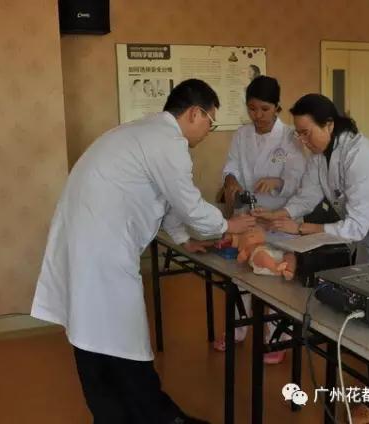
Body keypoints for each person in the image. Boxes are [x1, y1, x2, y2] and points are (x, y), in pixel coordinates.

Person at [31, 79, 256, 424]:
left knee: (92, 333)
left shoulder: (144, 133)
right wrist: (228, 226)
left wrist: (182, 239)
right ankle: (154, 415)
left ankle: (121, 414)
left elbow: (164, 197)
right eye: (210, 122)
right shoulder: (168, 142)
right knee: (120, 336)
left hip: (85, 241)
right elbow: (188, 203)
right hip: (102, 249)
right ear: (195, 113)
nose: (208, 132)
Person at [255, 93, 369, 423]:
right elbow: (307, 195)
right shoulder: (322, 155)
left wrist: (301, 228)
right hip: (368, 228)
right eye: (298, 134)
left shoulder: (360, 156)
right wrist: (280, 215)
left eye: (307, 133)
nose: (302, 140)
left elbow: (355, 226)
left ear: (329, 125)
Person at [215, 75, 307, 364]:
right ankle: (237, 329)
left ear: (277, 107)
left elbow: (299, 179)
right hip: (248, 215)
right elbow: (231, 165)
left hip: (279, 217)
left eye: (265, 109)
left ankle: (277, 337)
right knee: (241, 272)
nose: (258, 115)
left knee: (275, 275)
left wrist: (277, 183)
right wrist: (230, 180)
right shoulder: (242, 134)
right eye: (252, 108)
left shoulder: (290, 137)